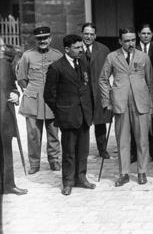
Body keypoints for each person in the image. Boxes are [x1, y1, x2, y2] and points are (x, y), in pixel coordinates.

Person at [99, 28, 153, 187]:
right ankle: (124, 173)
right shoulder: (112, 57)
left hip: (141, 103)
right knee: (122, 140)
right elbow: (103, 80)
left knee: (142, 140)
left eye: (133, 40)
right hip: (120, 103)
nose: (131, 43)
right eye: (127, 41)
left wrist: (152, 105)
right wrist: (107, 101)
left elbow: (151, 81)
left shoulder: (143, 57)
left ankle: (142, 171)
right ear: (120, 41)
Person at [44, 34, 95, 196]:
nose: (81, 50)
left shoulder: (83, 62)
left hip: (84, 115)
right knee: (69, 152)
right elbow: (49, 95)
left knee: (83, 151)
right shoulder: (56, 67)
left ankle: (81, 177)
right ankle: (67, 182)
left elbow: (87, 86)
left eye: (81, 47)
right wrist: (61, 111)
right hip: (67, 116)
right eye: (77, 48)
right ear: (67, 49)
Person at [16, 26, 62, 174]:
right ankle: (34, 163)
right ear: (35, 40)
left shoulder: (57, 55)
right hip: (33, 101)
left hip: (52, 101)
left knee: (53, 133)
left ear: (50, 39)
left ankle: (54, 160)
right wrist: (30, 92)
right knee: (33, 134)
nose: (42, 41)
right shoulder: (27, 56)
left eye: (45, 38)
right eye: (39, 39)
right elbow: (21, 78)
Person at [0, 37, 27, 195]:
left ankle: (8, 185)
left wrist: (16, 95)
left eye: (3, 45)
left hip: (4, 117)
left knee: (6, 151)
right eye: (0, 46)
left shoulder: (5, 65)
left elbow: (12, 87)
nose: (3, 49)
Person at [81, 23, 113, 159]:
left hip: (98, 91)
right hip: (82, 91)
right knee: (83, 122)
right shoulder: (75, 48)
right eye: (86, 33)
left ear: (95, 35)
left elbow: (109, 71)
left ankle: (102, 149)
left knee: (100, 122)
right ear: (82, 34)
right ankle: (82, 150)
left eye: (91, 34)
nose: (88, 36)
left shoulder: (103, 50)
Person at [136, 24, 153, 163]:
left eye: (148, 33)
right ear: (139, 34)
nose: (146, 36)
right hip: (137, 90)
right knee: (136, 123)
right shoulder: (133, 48)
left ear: (152, 35)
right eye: (143, 33)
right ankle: (135, 153)